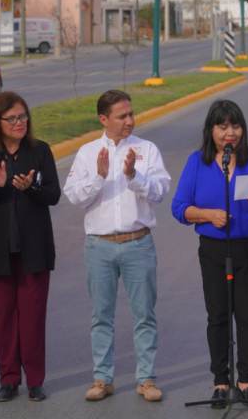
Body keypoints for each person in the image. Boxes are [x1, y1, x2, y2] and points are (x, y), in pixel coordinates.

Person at [171, 100, 248, 408]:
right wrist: (208, 215)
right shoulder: (198, 162)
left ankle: (246, 380)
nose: (230, 133)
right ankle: (221, 381)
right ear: (211, 131)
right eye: (222, 127)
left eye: (235, 126)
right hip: (213, 248)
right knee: (218, 315)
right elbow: (179, 208)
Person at [63, 90, 171, 403]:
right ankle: (102, 378)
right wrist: (98, 176)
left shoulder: (146, 149)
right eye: (122, 116)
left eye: (131, 114)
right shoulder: (87, 152)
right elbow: (75, 197)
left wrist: (133, 176)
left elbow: (160, 192)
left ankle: (146, 379)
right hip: (100, 246)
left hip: (138, 243)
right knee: (101, 316)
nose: (130, 121)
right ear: (103, 119)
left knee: (144, 315)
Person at [0, 92, 61, 403]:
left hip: (34, 249)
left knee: (33, 319)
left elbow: (52, 195)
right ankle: (8, 379)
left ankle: (35, 380)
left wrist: (30, 187)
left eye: (23, 117)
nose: (20, 123)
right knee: (3, 318)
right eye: (12, 118)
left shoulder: (40, 151)